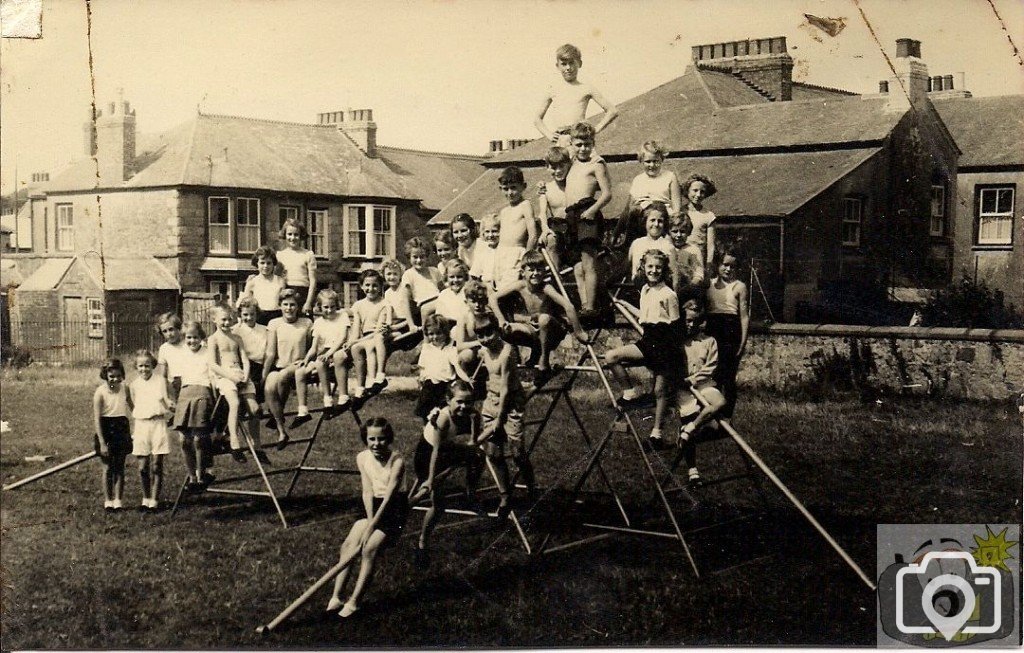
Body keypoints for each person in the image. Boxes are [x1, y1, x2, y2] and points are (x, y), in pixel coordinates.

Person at [326, 417, 409, 618]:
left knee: (369, 548)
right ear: (365, 439)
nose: (376, 444)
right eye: (371, 439)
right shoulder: (362, 457)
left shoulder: (397, 461)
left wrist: (372, 527)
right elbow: (366, 491)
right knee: (349, 545)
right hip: (371, 504)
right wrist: (370, 521)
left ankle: (354, 602)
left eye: (381, 439)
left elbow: (389, 497)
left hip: (394, 507)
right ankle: (337, 597)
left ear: (388, 439)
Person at [604, 250, 682, 449]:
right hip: (648, 341)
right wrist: (625, 305)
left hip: (665, 344)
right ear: (643, 268)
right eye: (650, 267)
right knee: (611, 356)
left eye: (658, 267)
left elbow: (675, 325)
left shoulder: (669, 294)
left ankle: (656, 434)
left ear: (664, 270)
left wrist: (673, 356)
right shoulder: (646, 291)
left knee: (659, 391)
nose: (654, 271)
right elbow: (644, 316)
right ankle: (630, 392)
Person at [409, 380, 484, 567]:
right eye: (459, 402)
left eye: (468, 402)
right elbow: (435, 452)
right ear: (448, 400)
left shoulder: (472, 414)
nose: (464, 406)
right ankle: (422, 542)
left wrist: (475, 422)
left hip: (445, 449)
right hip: (427, 457)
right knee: (438, 503)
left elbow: (473, 443)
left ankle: (470, 492)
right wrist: (430, 480)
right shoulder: (443, 418)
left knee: (478, 456)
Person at [490, 249, 589, 382]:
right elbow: (492, 298)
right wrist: (502, 320)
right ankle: (534, 352)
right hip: (535, 330)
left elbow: (569, 306)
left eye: (539, 270)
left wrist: (579, 332)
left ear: (544, 271)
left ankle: (544, 357)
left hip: (553, 330)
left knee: (543, 319)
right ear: (523, 272)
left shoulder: (546, 288)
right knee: (509, 330)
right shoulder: (520, 286)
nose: (535, 273)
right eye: (531, 270)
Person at [476, 316, 535, 516]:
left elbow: (506, 387)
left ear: (498, 331)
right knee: (493, 452)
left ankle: (531, 487)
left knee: (517, 452)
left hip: (510, 402)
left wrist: (500, 418)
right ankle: (504, 494)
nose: (485, 338)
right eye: (480, 335)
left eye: (488, 333)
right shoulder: (484, 350)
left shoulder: (507, 351)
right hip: (492, 399)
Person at [675, 302, 727, 488]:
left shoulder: (708, 341)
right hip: (683, 388)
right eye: (687, 321)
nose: (690, 325)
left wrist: (694, 379)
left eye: (694, 321)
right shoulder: (678, 341)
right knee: (688, 413)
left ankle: (691, 427)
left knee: (719, 402)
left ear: (700, 322)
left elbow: (711, 366)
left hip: (702, 384)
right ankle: (692, 471)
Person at [565, 121, 613, 318]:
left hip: (587, 213)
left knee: (588, 263)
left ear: (593, 143)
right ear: (572, 144)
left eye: (587, 144)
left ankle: (592, 307)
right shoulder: (572, 163)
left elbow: (608, 194)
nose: (583, 149)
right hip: (571, 215)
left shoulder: (597, 164)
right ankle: (585, 305)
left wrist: (593, 210)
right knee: (577, 266)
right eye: (579, 145)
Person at [534, 43, 618, 148]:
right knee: (561, 163)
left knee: (584, 164)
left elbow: (612, 111)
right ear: (557, 66)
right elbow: (537, 119)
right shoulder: (553, 89)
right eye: (564, 64)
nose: (568, 67)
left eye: (571, 63)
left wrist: (595, 130)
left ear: (579, 63)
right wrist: (549, 135)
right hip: (562, 141)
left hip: (581, 140)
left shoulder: (587, 88)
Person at [207, 303, 261, 463]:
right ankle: (234, 442)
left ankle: (255, 444)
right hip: (225, 376)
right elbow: (213, 364)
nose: (227, 323)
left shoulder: (237, 337)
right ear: (214, 320)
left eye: (230, 319)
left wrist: (245, 375)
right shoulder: (213, 339)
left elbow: (245, 359)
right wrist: (231, 377)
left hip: (240, 374)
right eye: (223, 319)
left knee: (255, 409)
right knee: (235, 403)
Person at [263, 289, 313, 448]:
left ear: (298, 307)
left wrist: (307, 361)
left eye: (293, 305)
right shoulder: (274, 324)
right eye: (285, 304)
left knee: (283, 376)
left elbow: (313, 346)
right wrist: (264, 373)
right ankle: (281, 431)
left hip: (298, 365)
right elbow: (270, 352)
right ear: (280, 306)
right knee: (270, 386)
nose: (289, 308)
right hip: (279, 365)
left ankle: (278, 414)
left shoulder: (306, 323)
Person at [294, 289, 352, 425]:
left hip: (339, 352)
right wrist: (306, 359)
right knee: (300, 372)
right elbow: (314, 348)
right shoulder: (319, 322)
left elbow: (342, 338)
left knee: (320, 363)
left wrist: (328, 354)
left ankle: (328, 401)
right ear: (320, 307)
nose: (329, 310)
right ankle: (303, 411)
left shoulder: (342, 316)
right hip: (323, 354)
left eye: (332, 307)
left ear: (337, 305)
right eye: (326, 307)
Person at [704, 249, 750, 419]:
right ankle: (710, 414)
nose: (728, 269)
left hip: (730, 331)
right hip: (712, 330)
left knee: (728, 376)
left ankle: (727, 418)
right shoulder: (709, 284)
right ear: (717, 265)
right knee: (711, 374)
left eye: (732, 266)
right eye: (725, 265)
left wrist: (742, 343)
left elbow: (744, 317)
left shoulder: (739, 286)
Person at [612, 141, 682, 249]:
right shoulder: (638, 180)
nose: (652, 165)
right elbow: (627, 209)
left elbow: (677, 208)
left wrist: (674, 230)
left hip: (662, 221)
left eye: (656, 161)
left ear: (662, 160)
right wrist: (616, 233)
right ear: (641, 161)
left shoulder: (669, 177)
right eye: (648, 162)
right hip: (640, 222)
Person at [173, 321, 216, 489]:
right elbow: (176, 380)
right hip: (185, 395)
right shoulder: (181, 354)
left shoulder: (207, 353)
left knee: (199, 438)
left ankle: (201, 474)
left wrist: (214, 397)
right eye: (189, 338)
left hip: (202, 394)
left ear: (201, 338)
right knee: (184, 439)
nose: (192, 341)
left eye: (195, 337)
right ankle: (191, 476)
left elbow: (212, 377)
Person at [129, 350, 172, 511]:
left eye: (147, 365)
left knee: (156, 465)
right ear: (136, 367)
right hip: (141, 425)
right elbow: (134, 403)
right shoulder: (134, 385)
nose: (144, 369)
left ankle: (154, 500)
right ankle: (145, 498)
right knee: (142, 467)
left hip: (158, 424)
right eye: (140, 366)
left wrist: (168, 408)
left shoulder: (160, 380)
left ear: (152, 366)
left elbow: (166, 400)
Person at [92, 358, 132, 511]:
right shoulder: (100, 392)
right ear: (105, 376)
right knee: (108, 467)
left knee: (120, 467)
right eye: (111, 377)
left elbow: (134, 407)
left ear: (122, 375)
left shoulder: (125, 389)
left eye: (118, 376)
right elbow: (97, 419)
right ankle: (108, 500)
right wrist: (102, 442)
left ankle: (118, 500)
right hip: (106, 427)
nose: (115, 379)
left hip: (121, 427)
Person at [414, 314, 468, 422]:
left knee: (445, 411)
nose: (434, 337)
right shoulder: (426, 348)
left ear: (445, 332)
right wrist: (420, 380)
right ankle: (427, 429)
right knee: (427, 409)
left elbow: (457, 368)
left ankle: (446, 428)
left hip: (445, 385)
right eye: (431, 334)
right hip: (429, 385)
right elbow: (422, 368)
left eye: (438, 333)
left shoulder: (450, 349)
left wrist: (467, 379)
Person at [234, 298, 270, 460]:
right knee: (249, 409)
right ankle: (229, 438)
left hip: (261, 369)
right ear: (240, 315)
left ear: (257, 314)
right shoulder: (236, 330)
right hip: (243, 369)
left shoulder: (265, 330)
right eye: (245, 315)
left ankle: (257, 444)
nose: (249, 318)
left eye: (252, 314)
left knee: (255, 412)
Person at [349, 269, 389, 399]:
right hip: (363, 337)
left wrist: (357, 341)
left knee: (370, 346)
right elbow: (356, 327)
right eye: (367, 285)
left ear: (380, 287)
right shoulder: (358, 305)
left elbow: (379, 330)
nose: (370, 289)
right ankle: (360, 385)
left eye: (375, 285)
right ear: (361, 286)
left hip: (378, 336)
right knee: (355, 348)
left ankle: (373, 379)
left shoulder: (384, 304)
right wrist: (352, 341)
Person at [537, 146, 573, 274]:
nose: (557, 171)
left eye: (561, 166)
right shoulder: (546, 188)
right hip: (556, 228)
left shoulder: (575, 184)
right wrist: (545, 229)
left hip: (573, 228)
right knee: (551, 239)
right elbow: (542, 213)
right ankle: (556, 276)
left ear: (569, 165)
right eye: (553, 167)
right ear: (547, 167)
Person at [626, 203, 678, 287]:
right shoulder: (636, 243)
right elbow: (627, 268)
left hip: (660, 291)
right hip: (637, 290)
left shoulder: (668, 246)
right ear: (645, 221)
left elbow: (674, 279)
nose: (656, 224)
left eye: (660, 221)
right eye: (652, 220)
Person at [453, 279, 494, 380]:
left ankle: (493, 381)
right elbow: (460, 345)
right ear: (466, 301)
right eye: (473, 301)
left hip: (486, 348)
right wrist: (479, 343)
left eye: (480, 301)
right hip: (471, 349)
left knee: (487, 351)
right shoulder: (464, 318)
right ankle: (464, 383)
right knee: (466, 355)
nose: (477, 305)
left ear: (486, 300)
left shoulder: (489, 316)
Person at [470, 213, 524, 289]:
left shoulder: (511, 249)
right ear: (483, 233)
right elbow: (474, 275)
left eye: (495, 231)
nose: (491, 235)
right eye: (487, 232)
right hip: (488, 290)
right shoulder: (482, 253)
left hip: (509, 289)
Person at [277, 218, 318, 316]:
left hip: (303, 293)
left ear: (301, 236)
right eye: (289, 234)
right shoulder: (279, 255)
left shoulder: (308, 254)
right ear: (285, 235)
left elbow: (313, 282)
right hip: (285, 292)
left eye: (296, 235)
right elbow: (276, 279)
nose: (293, 238)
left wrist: (308, 303)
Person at [400, 236, 444, 326]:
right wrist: (411, 325)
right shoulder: (408, 275)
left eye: (422, 257)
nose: (419, 260)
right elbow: (405, 301)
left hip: (440, 304)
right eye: (415, 257)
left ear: (427, 257)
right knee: (426, 309)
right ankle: (426, 337)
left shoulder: (434, 271)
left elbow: (443, 291)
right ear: (409, 257)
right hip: (424, 309)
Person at [239, 245, 286, 325]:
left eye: (269, 263)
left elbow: (283, 302)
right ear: (256, 264)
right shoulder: (252, 282)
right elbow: (245, 304)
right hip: (258, 317)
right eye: (262, 263)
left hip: (276, 316)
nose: (265, 266)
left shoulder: (280, 281)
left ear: (273, 264)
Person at [497, 166, 538, 252]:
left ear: (523, 186)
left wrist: (526, 257)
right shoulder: (504, 211)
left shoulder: (525, 205)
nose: (510, 193)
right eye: (506, 189)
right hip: (501, 253)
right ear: (500, 189)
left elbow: (533, 236)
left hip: (517, 253)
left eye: (513, 187)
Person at [667, 213, 705, 304]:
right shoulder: (666, 248)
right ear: (669, 232)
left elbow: (699, 274)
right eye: (675, 231)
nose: (679, 235)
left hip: (688, 290)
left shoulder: (693, 250)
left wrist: (691, 286)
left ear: (688, 232)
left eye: (683, 231)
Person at [683, 174, 718, 272]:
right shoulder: (680, 212)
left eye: (702, 192)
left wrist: (708, 265)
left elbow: (711, 246)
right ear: (687, 191)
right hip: (682, 256)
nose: (698, 195)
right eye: (695, 190)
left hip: (699, 260)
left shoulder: (709, 216)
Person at [156, 312, 187, 404]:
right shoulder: (164, 348)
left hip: (190, 382)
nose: (169, 334)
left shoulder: (188, 343)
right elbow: (162, 376)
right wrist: (166, 398)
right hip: (174, 386)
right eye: (164, 331)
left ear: (178, 328)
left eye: (171, 329)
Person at [433, 258, 470, 324]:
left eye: (459, 277)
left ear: (465, 277)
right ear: (446, 278)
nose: (455, 280)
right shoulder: (443, 295)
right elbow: (439, 317)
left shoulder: (468, 293)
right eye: (452, 277)